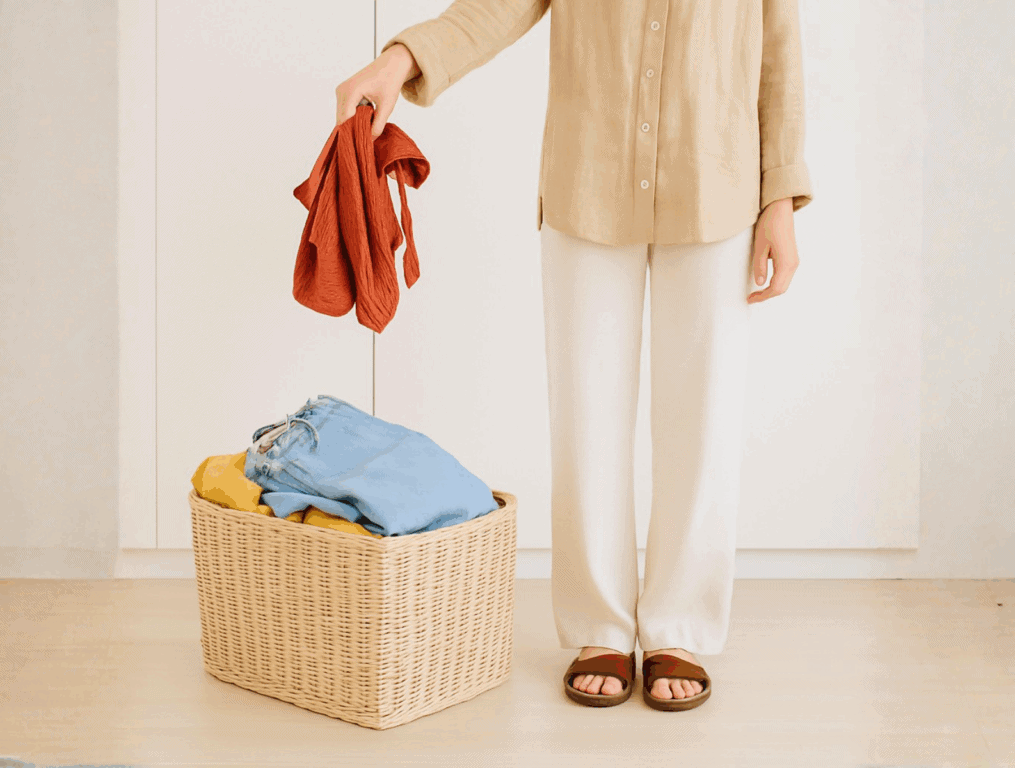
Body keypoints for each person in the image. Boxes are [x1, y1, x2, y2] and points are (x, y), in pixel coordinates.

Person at [333, 0, 813, 711]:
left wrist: (781, 196)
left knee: (702, 418)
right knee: (587, 417)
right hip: (590, 177)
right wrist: (401, 60)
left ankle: (678, 624)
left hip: (720, 179)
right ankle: (600, 625)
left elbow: (779, 47)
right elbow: (498, 6)